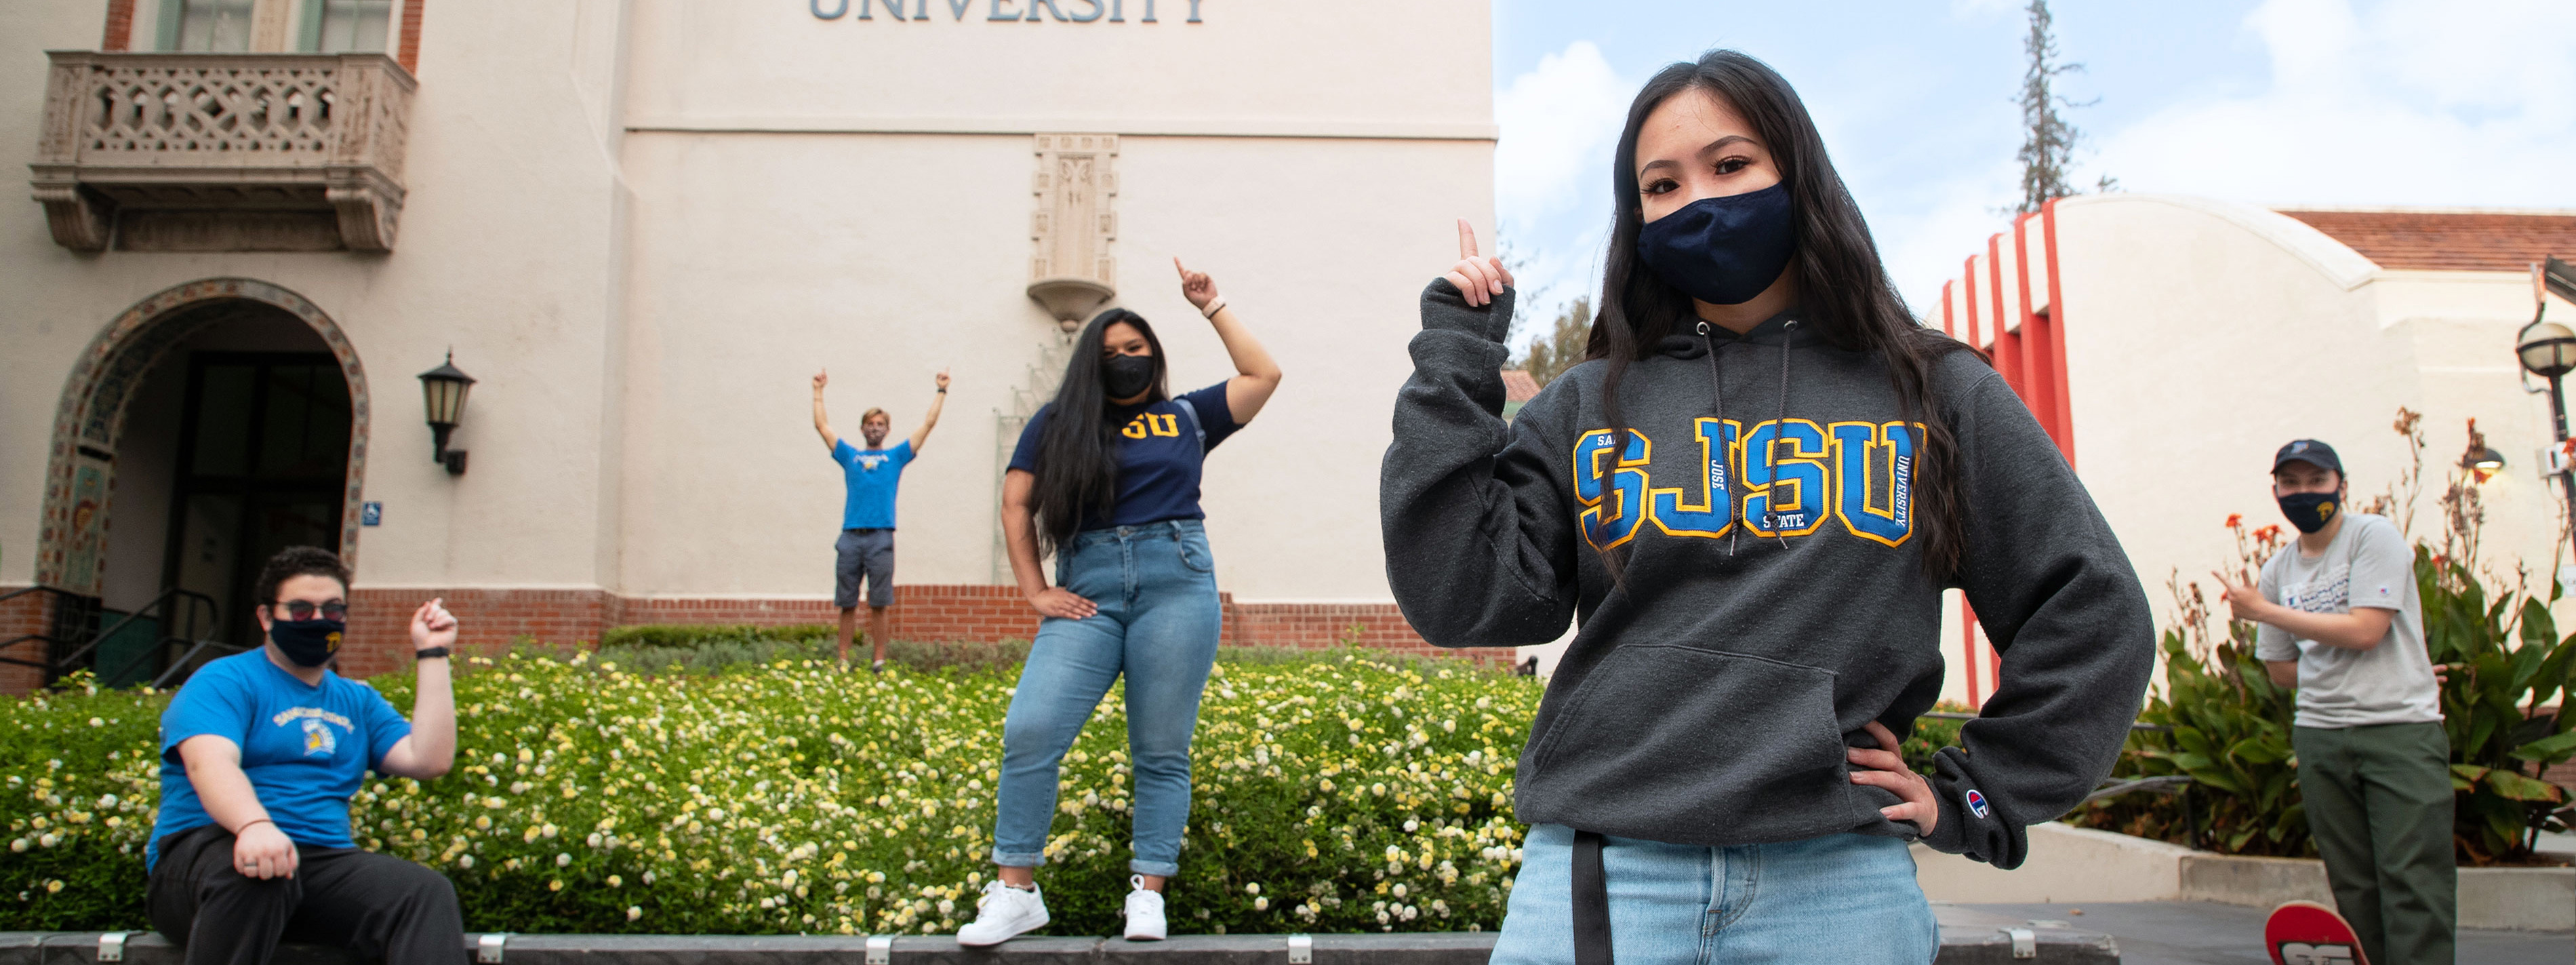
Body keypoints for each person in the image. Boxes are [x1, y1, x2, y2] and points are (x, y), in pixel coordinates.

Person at [1380, 51, 2156, 964]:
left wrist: (1980, 793)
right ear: (1639, 220)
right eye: (1661, 185)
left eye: (1730, 165)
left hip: (1836, 881)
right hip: (1605, 870)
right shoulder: (1590, 403)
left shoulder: (1934, 392)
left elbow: (2091, 607)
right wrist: (1455, 362)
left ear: (1799, 173)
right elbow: (1468, 597)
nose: (1697, 200)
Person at [955, 258, 1282, 946]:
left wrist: (1210, 303)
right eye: (1110, 354)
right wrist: (1033, 589)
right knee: (1030, 730)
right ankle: (1015, 891)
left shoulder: (1187, 415)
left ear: (1153, 357)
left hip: (1176, 583)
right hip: (1089, 591)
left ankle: (1148, 891)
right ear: (1089, 365)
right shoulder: (1055, 424)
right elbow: (1016, 502)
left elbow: (1262, 376)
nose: (1125, 361)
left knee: (1160, 749)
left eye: (1136, 350)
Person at [146, 546, 463, 965]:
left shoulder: (357, 700)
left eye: (333, 610)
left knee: (422, 892)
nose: (318, 621)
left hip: (316, 863)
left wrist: (433, 653)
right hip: (206, 860)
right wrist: (254, 825)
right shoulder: (225, 680)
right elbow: (210, 763)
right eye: (300, 609)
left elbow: (429, 760)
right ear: (265, 617)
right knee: (261, 875)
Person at [2216, 439, 2451, 965]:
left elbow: (2368, 630)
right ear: (2276, 489)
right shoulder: (2279, 569)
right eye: (2291, 483)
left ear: (2341, 485)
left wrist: (2265, 612)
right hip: (2321, 734)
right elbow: (2282, 672)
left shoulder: (2373, 537)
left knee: (2413, 879)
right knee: (2354, 885)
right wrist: (2275, 618)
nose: (2303, 493)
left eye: (2316, 482)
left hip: (2398, 729)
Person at [811, 367, 950, 673]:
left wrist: (941, 391)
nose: (875, 428)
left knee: (879, 601)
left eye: (880, 424)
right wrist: (818, 391)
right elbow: (822, 426)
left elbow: (927, 425)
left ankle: (879, 660)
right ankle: (844, 660)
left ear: (887, 430)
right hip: (850, 536)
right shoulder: (850, 457)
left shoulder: (896, 457)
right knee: (847, 602)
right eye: (870, 424)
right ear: (862, 429)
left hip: (881, 538)